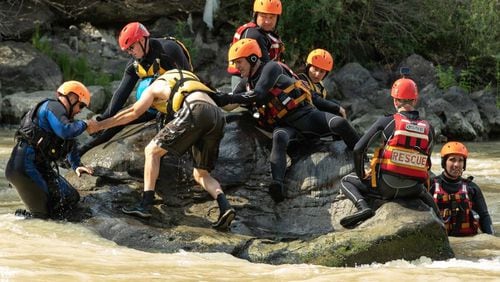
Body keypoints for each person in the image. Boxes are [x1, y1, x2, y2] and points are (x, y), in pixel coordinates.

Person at [86, 69, 235, 230]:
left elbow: (133, 112)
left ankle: (145, 205)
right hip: (217, 116)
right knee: (201, 174)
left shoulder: (153, 87)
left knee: (151, 151)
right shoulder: (189, 80)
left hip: (194, 109)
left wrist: (100, 125)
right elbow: (229, 104)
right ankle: (225, 206)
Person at [214, 39, 360, 203]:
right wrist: (213, 95)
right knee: (279, 138)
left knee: (340, 124)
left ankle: (362, 157)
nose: (236, 67)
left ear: (253, 59)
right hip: (285, 125)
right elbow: (229, 105)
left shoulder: (272, 67)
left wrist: (335, 108)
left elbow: (259, 93)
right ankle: (277, 185)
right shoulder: (245, 84)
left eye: (239, 62)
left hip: (306, 115)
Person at [78, 22, 192, 156]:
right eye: (127, 50)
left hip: (181, 101)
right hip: (154, 104)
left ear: (142, 40)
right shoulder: (135, 63)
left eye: (131, 47)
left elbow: (188, 83)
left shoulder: (169, 51)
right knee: (118, 120)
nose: (130, 53)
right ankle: (83, 151)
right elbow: (121, 94)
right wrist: (103, 119)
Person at [339, 77, 439, 228]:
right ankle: (441, 221)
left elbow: (358, 149)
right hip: (413, 190)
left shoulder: (387, 121)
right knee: (425, 192)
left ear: (395, 101)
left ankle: (363, 207)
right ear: (415, 100)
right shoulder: (429, 128)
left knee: (346, 180)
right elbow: (427, 162)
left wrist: (363, 175)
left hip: (385, 188)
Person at [5, 81, 94, 219]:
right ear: (72, 98)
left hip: (39, 167)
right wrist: (86, 124)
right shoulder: (53, 107)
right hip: (23, 167)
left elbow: (69, 141)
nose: (80, 110)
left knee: (71, 197)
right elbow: (65, 131)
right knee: (44, 216)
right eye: (81, 105)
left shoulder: (62, 116)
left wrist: (76, 165)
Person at [429, 142, 495, 236]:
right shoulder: (431, 185)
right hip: (441, 240)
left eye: (460, 160)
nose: (457, 164)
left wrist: (492, 239)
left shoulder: (472, 188)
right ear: (444, 162)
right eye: (452, 160)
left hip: (467, 242)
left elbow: (484, 216)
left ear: (464, 164)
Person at [228, 0, 284, 90]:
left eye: (272, 17)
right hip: (245, 81)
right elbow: (266, 68)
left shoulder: (265, 32)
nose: (267, 21)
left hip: (255, 79)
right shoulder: (254, 35)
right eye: (263, 16)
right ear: (255, 15)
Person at [298, 48, 346, 118]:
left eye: (322, 72)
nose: (317, 74)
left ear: (326, 74)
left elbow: (324, 99)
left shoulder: (319, 84)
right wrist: (337, 108)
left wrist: (337, 106)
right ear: (308, 67)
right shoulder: (299, 79)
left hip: (312, 114)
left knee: (336, 106)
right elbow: (314, 98)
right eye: (315, 69)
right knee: (336, 108)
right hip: (302, 116)